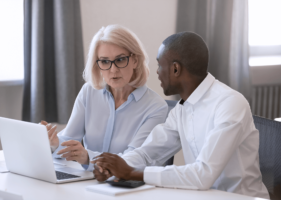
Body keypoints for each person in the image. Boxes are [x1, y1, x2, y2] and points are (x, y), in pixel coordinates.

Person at [91, 32, 269, 199]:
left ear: (175, 69)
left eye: (160, 65)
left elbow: (202, 174)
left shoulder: (229, 103)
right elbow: (148, 154)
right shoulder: (182, 109)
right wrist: (113, 167)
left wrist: (131, 172)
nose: (157, 72)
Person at [40, 24, 168, 171]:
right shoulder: (89, 92)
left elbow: (134, 160)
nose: (113, 70)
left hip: (125, 187)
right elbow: (70, 139)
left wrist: (88, 157)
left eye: (120, 60)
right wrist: (55, 143)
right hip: (87, 181)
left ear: (135, 60)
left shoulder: (156, 107)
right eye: (105, 61)